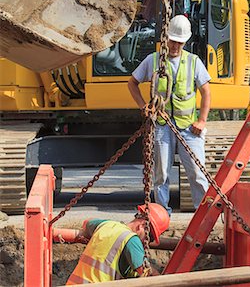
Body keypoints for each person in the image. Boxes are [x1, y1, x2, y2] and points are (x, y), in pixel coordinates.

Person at [128, 15, 211, 215]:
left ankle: (204, 214)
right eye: (173, 40)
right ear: (166, 38)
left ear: (185, 41)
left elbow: (206, 92)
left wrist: (202, 120)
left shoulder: (193, 62)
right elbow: (132, 83)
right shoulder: (153, 61)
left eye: (180, 42)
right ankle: (161, 212)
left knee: (197, 172)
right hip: (162, 125)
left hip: (188, 126)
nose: (175, 46)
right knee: (161, 173)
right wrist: (143, 106)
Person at [66, 203, 170, 284]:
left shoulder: (107, 225)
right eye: (150, 237)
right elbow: (147, 273)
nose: (146, 242)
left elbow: (87, 222)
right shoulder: (131, 240)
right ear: (142, 226)